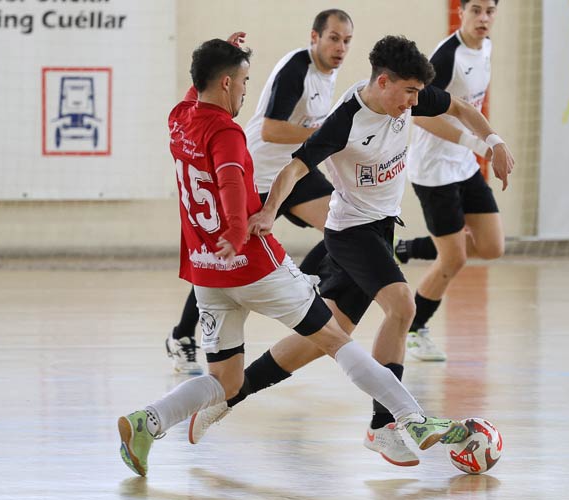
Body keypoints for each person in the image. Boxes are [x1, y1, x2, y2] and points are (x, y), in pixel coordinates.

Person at [118, 32, 468, 478]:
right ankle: (409, 419)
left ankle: (146, 422)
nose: (247, 90)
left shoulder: (180, 117)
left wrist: (221, 54)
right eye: (244, 80)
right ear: (226, 83)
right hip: (252, 263)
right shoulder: (227, 131)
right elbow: (228, 181)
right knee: (337, 340)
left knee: (226, 380)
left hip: (207, 272)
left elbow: (197, 92)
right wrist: (240, 225)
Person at [189, 35, 514, 467]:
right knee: (402, 307)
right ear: (384, 82)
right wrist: (269, 211)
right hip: (350, 233)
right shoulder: (346, 120)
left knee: (325, 338)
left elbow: (458, 107)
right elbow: (295, 167)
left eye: (419, 94)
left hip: (379, 229)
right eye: (409, 93)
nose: (414, 103)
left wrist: (493, 142)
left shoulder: (409, 98)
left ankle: (232, 395)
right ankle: (384, 426)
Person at [164, 9, 354, 376]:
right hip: (258, 173)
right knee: (226, 257)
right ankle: (182, 336)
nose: (340, 47)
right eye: (333, 38)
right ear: (314, 37)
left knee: (343, 221)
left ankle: (308, 280)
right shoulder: (296, 68)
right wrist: (327, 137)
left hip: (291, 171)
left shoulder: (327, 74)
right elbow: (270, 130)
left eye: (347, 40)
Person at [395, 0, 503, 362]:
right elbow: (419, 114)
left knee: (491, 246)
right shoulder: (446, 57)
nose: (483, 18)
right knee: (453, 259)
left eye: (490, 10)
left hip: (464, 165)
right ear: (462, 12)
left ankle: (410, 248)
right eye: (476, 10)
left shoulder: (485, 47)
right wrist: (476, 143)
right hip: (434, 169)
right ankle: (414, 329)